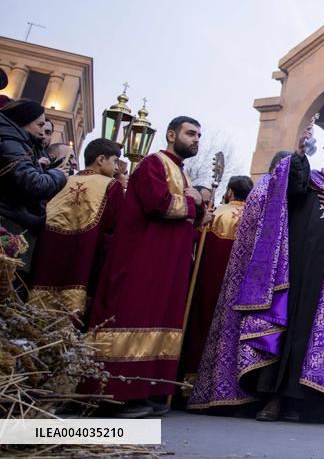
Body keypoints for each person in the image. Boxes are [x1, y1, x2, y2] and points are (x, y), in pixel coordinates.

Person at [234, 132, 324, 423]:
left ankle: (314, 404)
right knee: (290, 330)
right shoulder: (311, 180)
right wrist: (300, 153)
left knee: (321, 335)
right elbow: (288, 189)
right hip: (298, 270)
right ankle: (274, 399)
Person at [88, 116, 205, 418]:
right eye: (190, 133)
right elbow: (160, 204)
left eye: (198, 136)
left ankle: (145, 388)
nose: (196, 140)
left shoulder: (181, 171)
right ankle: (117, 395)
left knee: (157, 319)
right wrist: (194, 205)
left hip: (166, 263)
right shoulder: (154, 163)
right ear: (170, 134)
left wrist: (197, 207)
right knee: (133, 315)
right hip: (143, 260)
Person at [189, 150, 294, 412]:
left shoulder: (257, 193)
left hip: (242, 279)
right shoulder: (269, 192)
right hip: (254, 280)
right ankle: (234, 395)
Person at [28, 138, 124, 322]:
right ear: (101, 159)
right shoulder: (111, 185)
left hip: (47, 256)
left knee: (35, 319)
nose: (116, 169)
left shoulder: (64, 179)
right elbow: (115, 224)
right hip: (84, 259)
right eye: (114, 162)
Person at [180, 175, 254, 389]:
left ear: (230, 191)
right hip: (240, 292)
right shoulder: (255, 218)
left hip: (207, 284)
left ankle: (190, 382)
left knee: (201, 326)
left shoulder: (215, 213)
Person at [0, 99, 67, 281]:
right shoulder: (10, 141)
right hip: (9, 222)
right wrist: (57, 175)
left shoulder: (22, 143)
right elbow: (32, 183)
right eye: (39, 125)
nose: (41, 131)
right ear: (24, 119)